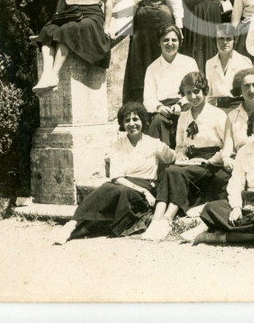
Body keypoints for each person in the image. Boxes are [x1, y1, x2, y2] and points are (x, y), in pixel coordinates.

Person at [52, 102, 177, 244]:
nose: (132, 124)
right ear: (122, 124)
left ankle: (72, 227)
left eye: (135, 119)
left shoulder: (153, 143)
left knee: (110, 190)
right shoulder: (117, 146)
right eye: (127, 120)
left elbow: (172, 157)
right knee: (111, 188)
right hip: (126, 186)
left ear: (142, 120)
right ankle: (71, 227)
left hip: (143, 189)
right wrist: (143, 191)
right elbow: (117, 177)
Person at [142, 72, 229, 241]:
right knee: (172, 169)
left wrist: (209, 160)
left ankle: (167, 219)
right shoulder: (184, 116)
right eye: (188, 92)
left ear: (204, 90)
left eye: (196, 91)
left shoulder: (218, 115)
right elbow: (180, 145)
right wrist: (181, 156)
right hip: (191, 161)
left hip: (210, 162)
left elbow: (227, 146)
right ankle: (157, 220)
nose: (193, 96)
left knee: (175, 172)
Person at [192, 109, 254, 245]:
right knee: (212, 208)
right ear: (251, 130)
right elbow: (236, 183)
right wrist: (236, 207)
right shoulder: (244, 151)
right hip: (249, 203)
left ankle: (224, 236)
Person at [104, 0, 183, 105]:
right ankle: (141, 108)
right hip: (141, 22)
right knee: (140, 64)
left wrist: (179, 25)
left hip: (163, 19)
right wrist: (106, 20)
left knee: (163, 59)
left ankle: (166, 101)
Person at [143, 25, 200, 147]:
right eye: (165, 40)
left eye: (174, 40)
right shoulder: (152, 68)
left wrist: (181, 104)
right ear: (159, 42)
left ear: (179, 42)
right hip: (162, 111)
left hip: (185, 106)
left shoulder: (189, 63)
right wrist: (159, 107)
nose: (170, 43)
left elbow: (196, 90)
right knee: (157, 122)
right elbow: (148, 98)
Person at [205, 24, 254, 104]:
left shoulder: (244, 61)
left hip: (239, 106)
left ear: (234, 40)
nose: (225, 42)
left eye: (228, 39)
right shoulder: (209, 63)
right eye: (221, 39)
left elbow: (249, 89)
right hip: (218, 108)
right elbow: (209, 95)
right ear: (215, 40)